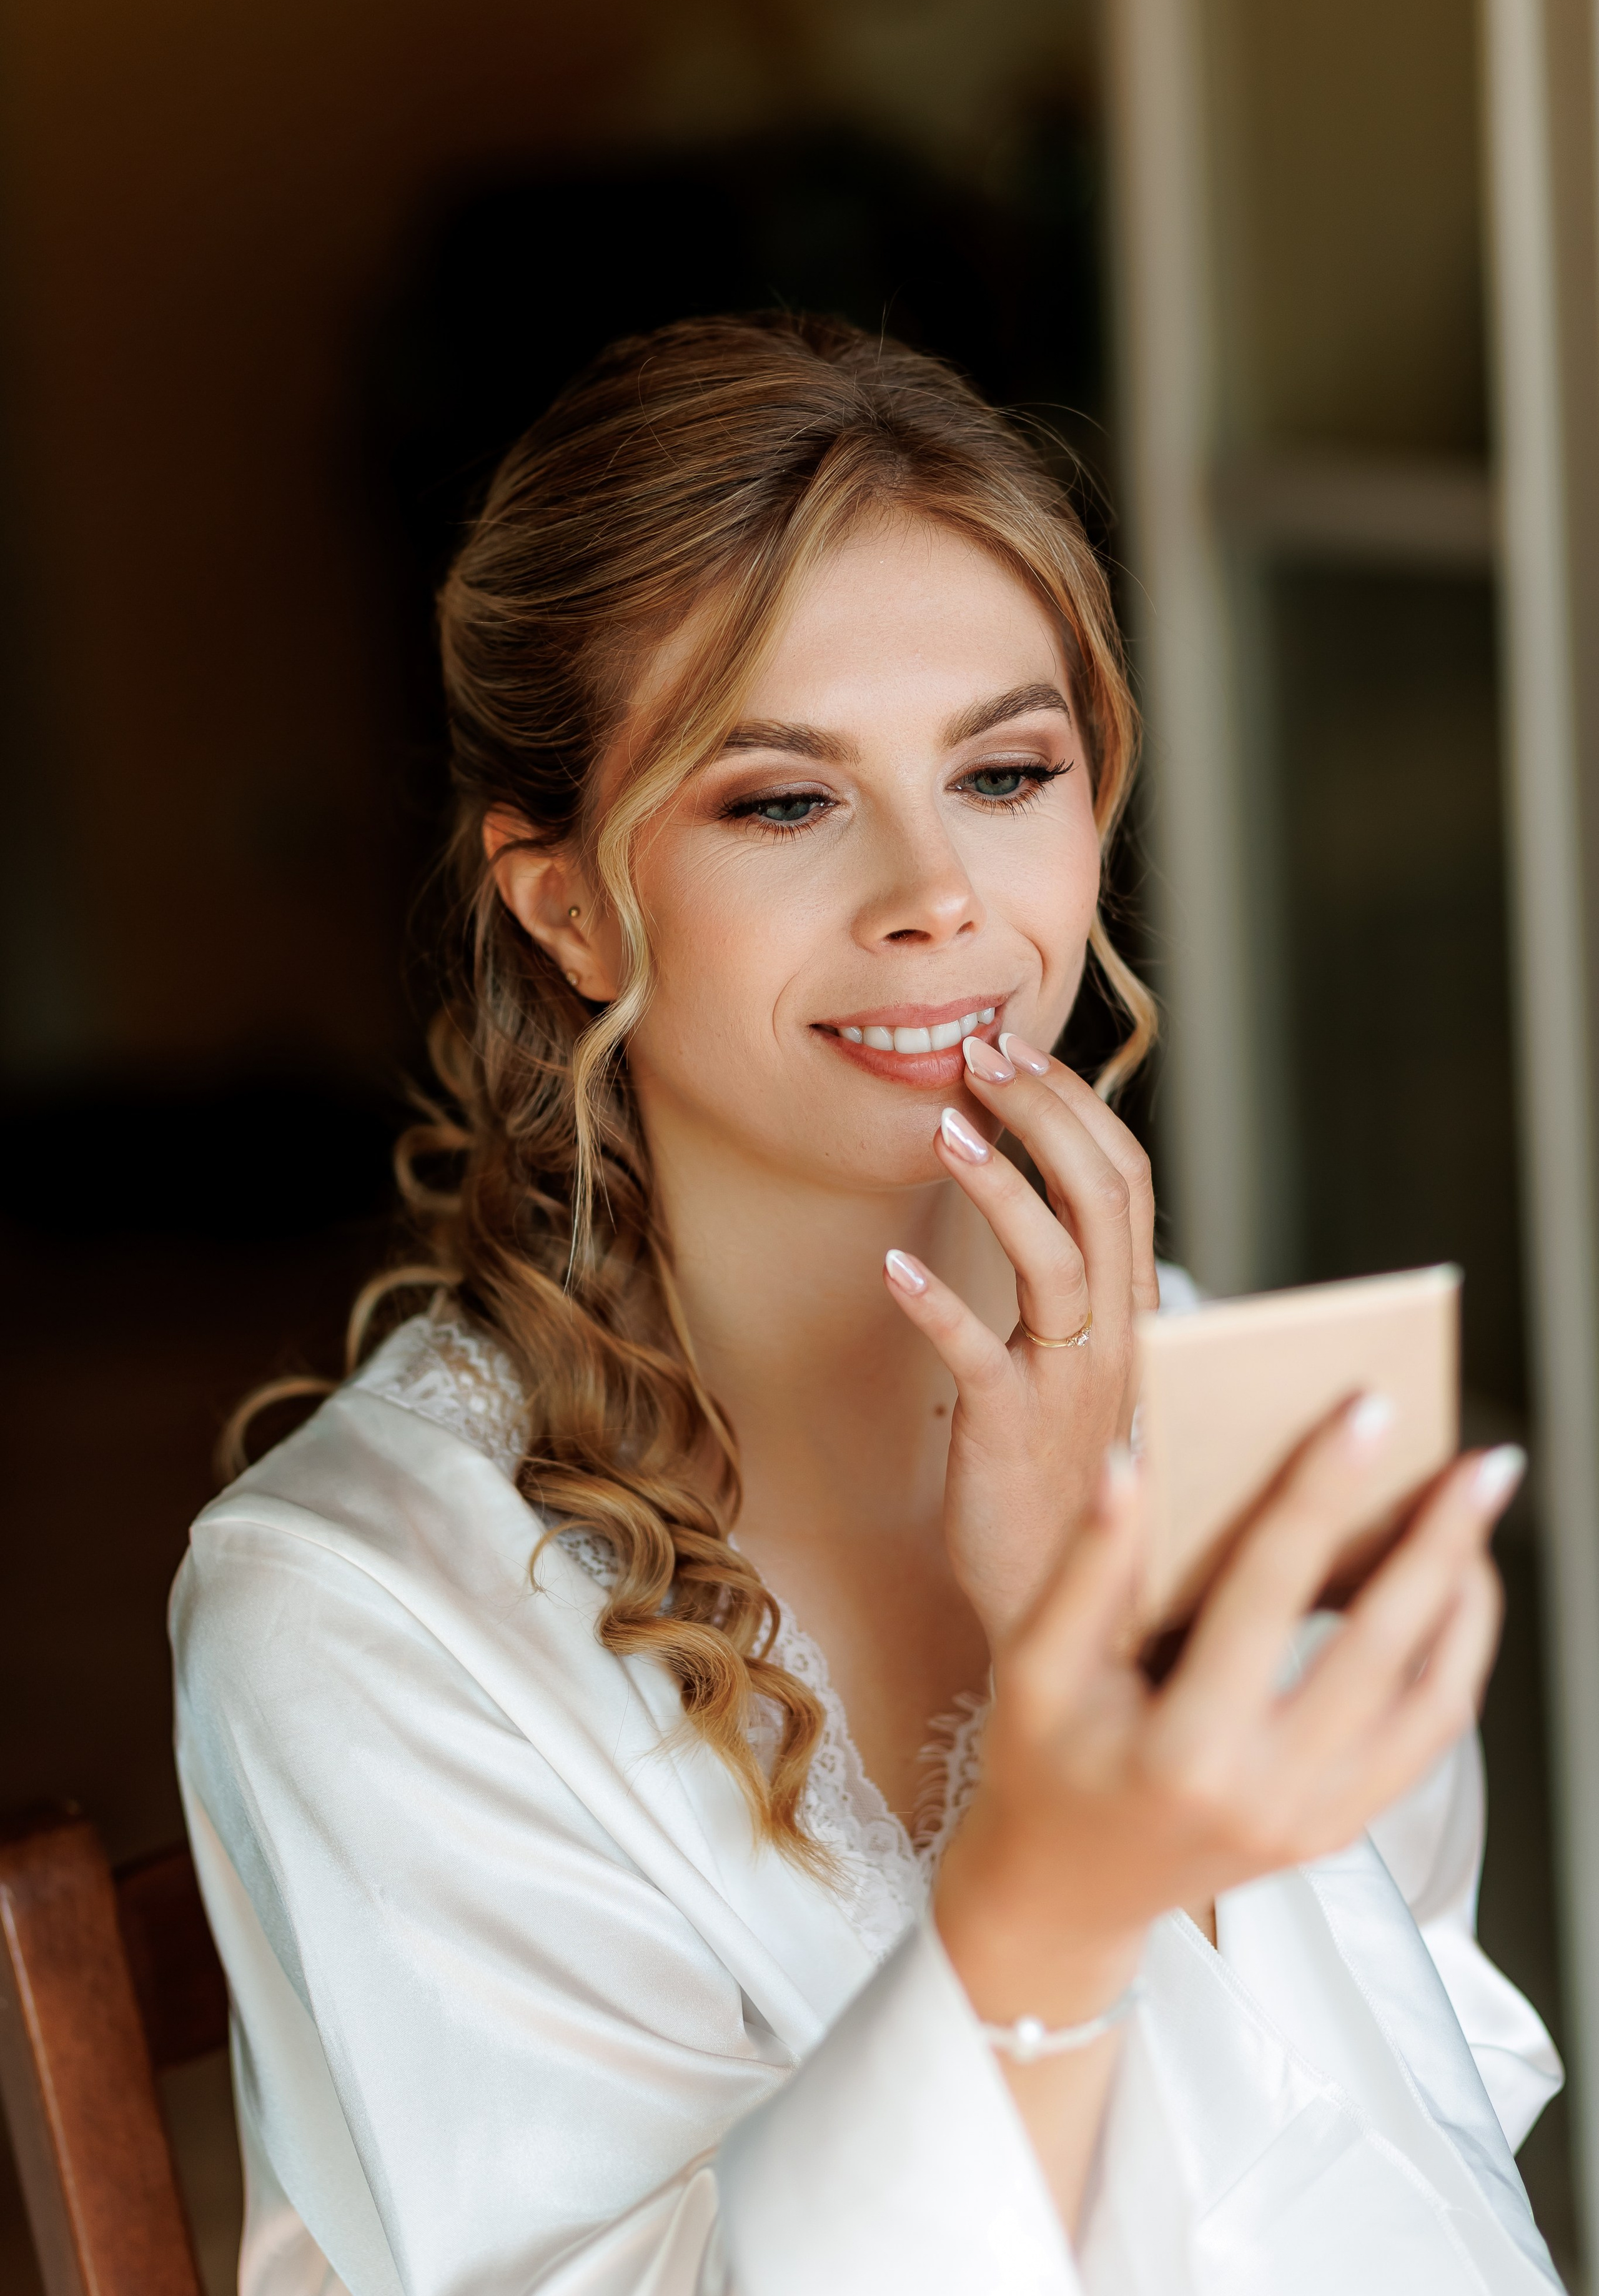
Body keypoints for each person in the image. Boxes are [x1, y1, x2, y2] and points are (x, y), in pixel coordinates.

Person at [171, 315, 1563, 2296]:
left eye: (1006, 770)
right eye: (783, 802)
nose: (941, 895)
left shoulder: (1232, 1386)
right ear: (560, 899)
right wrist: (1050, 1882)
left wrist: (1097, 1582)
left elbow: (1452, 2110)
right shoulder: (354, 1608)